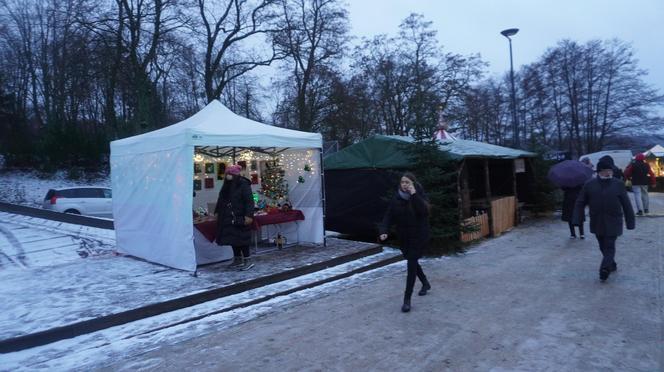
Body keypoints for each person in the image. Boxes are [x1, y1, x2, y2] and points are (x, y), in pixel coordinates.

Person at [572, 156, 635, 282]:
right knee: (602, 245)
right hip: (597, 220)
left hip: (614, 220)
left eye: (610, 170)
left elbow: (626, 204)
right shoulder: (590, 185)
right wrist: (577, 218)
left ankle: (604, 269)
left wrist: (630, 221)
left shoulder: (618, 184)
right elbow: (580, 202)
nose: (609, 172)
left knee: (609, 245)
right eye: (606, 170)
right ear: (599, 171)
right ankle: (611, 263)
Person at [379, 172, 431, 313]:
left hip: (418, 236)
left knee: (411, 265)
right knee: (411, 260)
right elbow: (388, 216)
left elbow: (423, 212)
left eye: (408, 182)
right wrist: (384, 230)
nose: (405, 184)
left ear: (413, 183)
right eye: (403, 182)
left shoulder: (419, 196)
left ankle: (407, 300)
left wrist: (414, 195)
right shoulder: (396, 198)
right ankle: (425, 283)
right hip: (404, 237)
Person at [215, 164, 255, 270]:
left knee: (242, 239)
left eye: (229, 174)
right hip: (228, 217)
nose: (227, 176)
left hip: (240, 216)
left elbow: (249, 201)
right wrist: (217, 212)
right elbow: (221, 200)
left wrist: (248, 215)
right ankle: (237, 259)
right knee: (233, 239)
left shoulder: (243, 184)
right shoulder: (227, 186)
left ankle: (247, 260)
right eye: (227, 174)